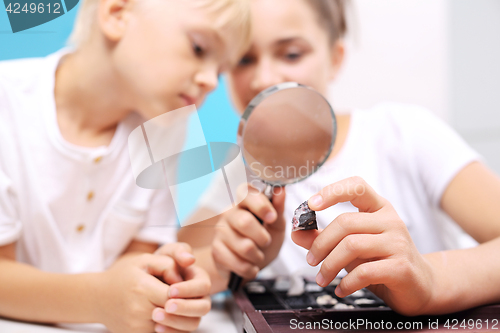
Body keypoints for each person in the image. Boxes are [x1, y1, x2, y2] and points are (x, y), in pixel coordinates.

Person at [178, 0, 500, 316]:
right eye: (243, 59)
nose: (263, 78)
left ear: (335, 58)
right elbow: (177, 270)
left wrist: (430, 281)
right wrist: (235, 262)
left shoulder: (404, 135)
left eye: (291, 54)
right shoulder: (235, 181)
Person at [0, 0, 250, 332]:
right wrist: (98, 299)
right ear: (117, 14)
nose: (210, 81)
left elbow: (135, 260)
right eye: (198, 48)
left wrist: (161, 285)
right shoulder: (7, 104)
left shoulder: (166, 127)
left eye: (220, 70)